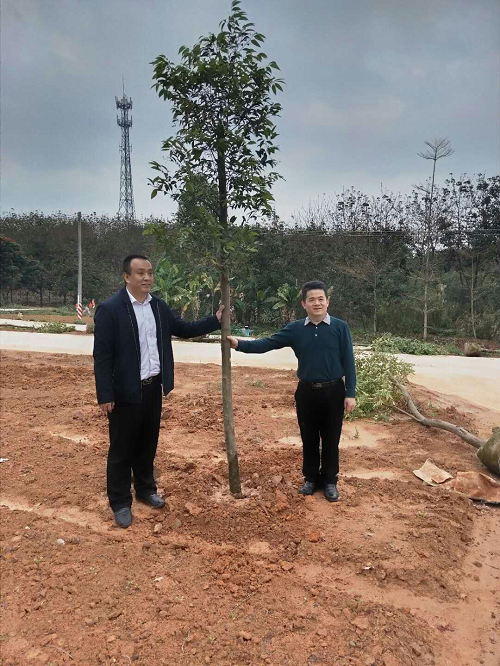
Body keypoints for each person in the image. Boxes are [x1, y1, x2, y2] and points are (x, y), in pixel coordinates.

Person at [93, 255, 223, 528]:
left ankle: (145, 490)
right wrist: (105, 395)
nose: (147, 278)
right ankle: (120, 502)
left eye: (150, 273)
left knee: (147, 444)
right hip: (124, 392)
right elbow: (102, 357)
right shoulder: (111, 309)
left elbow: (184, 329)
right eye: (140, 273)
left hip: (153, 388)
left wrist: (215, 320)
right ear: (126, 276)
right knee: (121, 449)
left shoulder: (158, 307)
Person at [227, 280, 356, 502]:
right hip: (306, 392)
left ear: (328, 301)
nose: (317, 303)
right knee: (309, 437)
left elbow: (349, 362)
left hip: (334, 391)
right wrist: (239, 344)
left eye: (321, 299)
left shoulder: (340, 327)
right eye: (312, 300)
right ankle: (310, 479)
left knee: (331, 438)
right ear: (304, 304)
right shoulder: (296, 329)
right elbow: (268, 343)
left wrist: (350, 393)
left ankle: (330, 481)